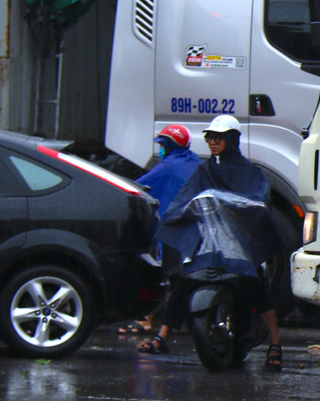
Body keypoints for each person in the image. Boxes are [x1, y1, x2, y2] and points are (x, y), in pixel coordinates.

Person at [140, 115, 286, 371]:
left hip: (240, 242)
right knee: (183, 279)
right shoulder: (204, 171)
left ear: (232, 139)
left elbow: (261, 200)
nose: (213, 142)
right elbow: (185, 198)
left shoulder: (251, 172)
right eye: (209, 138)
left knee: (256, 284)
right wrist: (183, 211)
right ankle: (162, 336)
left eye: (218, 138)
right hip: (209, 241)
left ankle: (275, 342)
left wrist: (239, 208)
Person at [122, 124, 200, 337]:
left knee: (156, 273)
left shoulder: (169, 166)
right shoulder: (194, 161)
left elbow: (138, 187)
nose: (160, 149)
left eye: (162, 144)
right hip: (192, 229)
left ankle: (145, 320)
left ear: (170, 144)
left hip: (169, 229)